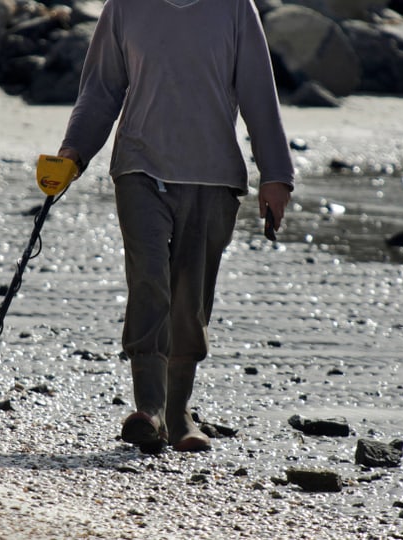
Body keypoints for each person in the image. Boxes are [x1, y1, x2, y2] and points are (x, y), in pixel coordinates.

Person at [54, 0, 294, 452]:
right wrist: (74, 153)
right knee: (149, 281)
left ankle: (178, 410)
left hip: (213, 176)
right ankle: (150, 408)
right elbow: (102, 89)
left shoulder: (235, 9)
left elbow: (259, 93)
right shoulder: (124, 7)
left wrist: (276, 175)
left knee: (190, 298)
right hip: (140, 169)